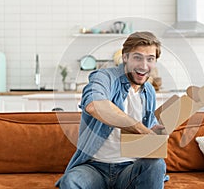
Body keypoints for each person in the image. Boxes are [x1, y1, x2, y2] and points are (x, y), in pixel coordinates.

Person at [56, 31, 166, 189]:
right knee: (71, 181)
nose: (143, 65)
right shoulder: (104, 78)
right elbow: (95, 105)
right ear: (125, 57)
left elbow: (148, 125)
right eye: (137, 57)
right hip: (94, 168)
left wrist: (154, 131)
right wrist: (140, 128)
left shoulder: (149, 91)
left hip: (130, 169)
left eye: (150, 59)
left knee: (157, 164)